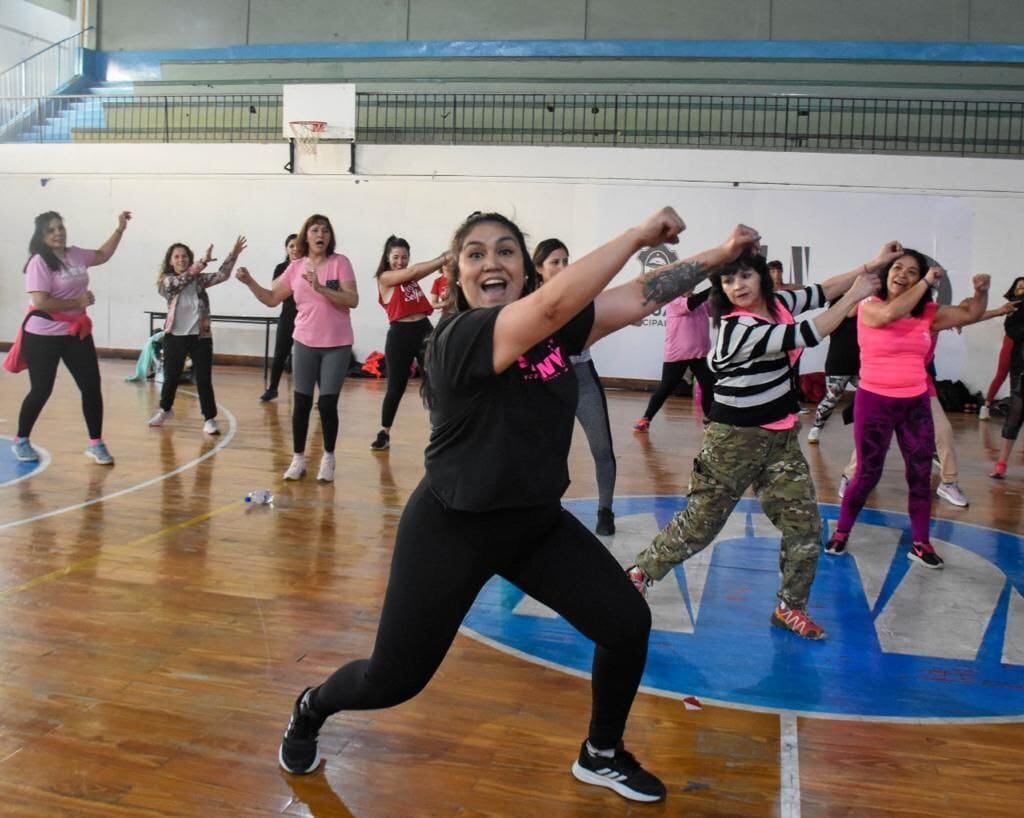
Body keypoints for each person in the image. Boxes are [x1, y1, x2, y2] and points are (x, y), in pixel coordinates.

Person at [276, 207, 762, 804]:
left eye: (506, 250)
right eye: (475, 254)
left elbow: (638, 295)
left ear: (526, 269)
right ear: (456, 275)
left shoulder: (556, 332)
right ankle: (312, 706)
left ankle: (601, 753)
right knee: (392, 679)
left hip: (533, 523)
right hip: (452, 526)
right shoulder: (456, 338)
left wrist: (720, 253)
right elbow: (555, 304)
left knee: (626, 624)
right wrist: (636, 233)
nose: (491, 262)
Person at [628, 243, 898, 640]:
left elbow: (822, 289)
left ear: (761, 277)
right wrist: (856, 294)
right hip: (732, 441)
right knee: (699, 526)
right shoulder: (739, 328)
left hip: (780, 438)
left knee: (804, 526)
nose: (737, 285)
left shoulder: (778, 302)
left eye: (745, 276)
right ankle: (640, 571)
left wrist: (872, 264)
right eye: (728, 278)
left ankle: (790, 607)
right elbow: (808, 332)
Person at [825, 254, 989, 568]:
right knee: (866, 473)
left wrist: (980, 293)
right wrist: (928, 279)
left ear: (918, 281)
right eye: (898, 268)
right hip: (875, 402)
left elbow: (970, 313)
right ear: (887, 274)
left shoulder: (927, 312)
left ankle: (921, 542)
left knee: (920, 475)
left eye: (912, 272)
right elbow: (889, 314)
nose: (903, 274)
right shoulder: (870, 305)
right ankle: (842, 532)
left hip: (914, 404)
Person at [236, 214, 358, 482]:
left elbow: (352, 299)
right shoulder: (295, 267)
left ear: (330, 237)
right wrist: (250, 282)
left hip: (337, 344)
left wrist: (322, 288)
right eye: (315, 230)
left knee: (327, 405)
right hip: (304, 341)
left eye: (325, 230)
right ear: (306, 236)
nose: (321, 234)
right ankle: (298, 459)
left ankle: (328, 457)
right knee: (301, 403)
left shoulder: (340, 263)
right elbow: (270, 299)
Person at [11, 209, 131, 465]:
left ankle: (96, 443)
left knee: (91, 385)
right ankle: (21, 439)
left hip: (76, 331)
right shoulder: (39, 262)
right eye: (52, 230)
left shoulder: (75, 254)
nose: (58, 233)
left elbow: (102, 255)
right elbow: (41, 302)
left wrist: (120, 229)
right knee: (42, 389)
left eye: (60, 227)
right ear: (42, 236)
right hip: (43, 334)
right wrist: (78, 300)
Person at [534, 238, 618, 535]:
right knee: (548, 451)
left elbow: (610, 310)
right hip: (548, 384)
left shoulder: (582, 295)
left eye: (565, 261)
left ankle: (605, 509)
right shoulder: (529, 302)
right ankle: (545, 507)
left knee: (602, 447)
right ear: (539, 269)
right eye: (554, 262)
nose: (562, 267)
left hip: (581, 376)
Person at [148, 236, 246, 434]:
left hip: (200, 337)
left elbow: (222, 275)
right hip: (175, 336)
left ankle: (209, 418)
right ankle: (165, 410)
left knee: (203, 379)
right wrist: (201, 263)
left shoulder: (198, 280)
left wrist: (233, 254)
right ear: (170, 261)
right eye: (177, 256)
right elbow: (179, 282)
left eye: (184, 256)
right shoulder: (166, 282)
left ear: (189, 259)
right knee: (171, 377)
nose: (181, 259)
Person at [368, 236, 449, 451]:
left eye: (404, 257)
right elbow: (413, 271)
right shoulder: (385, 278)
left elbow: (414, 274)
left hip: (423, 330)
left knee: (435, 381)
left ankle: (441, 429)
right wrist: (443, 258)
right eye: (396, 257)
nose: (400, 261)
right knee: (396, 386)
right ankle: (384, 432)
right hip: (400, 334)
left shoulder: (409, 280)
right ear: (387, 258)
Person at [632, 287, 715, 431]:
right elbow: (689, 305)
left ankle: (710, 421)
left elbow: (714, 310)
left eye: (693, 283)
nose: (691, 285)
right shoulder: (674, 300)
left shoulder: (700, 301)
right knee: (666, 387)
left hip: (700, 353)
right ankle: (646, 419)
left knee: (708, 386)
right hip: (678, 354)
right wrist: (713, 287)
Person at [806, 306, 859, 444]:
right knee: (831, 398)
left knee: (871, 395)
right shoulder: (838, 308)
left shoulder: (868, 308)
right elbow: (849, 312)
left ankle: (857, 422)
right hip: (838, 363)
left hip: (862, 363)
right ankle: (817, 427)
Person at [260, 234, 301, 402]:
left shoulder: (309, 265)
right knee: (279, 354)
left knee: (308, 357)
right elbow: (275, 289)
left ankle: (317, 395)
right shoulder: (281, 267)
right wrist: (291, 268)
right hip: (288, 316)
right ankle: (273, 388)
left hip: (307, 317)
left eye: (298, 245)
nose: (295, 249)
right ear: (286, 249)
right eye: (291, 246)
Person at [979, 276, 1024, 420]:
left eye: (1023, 287)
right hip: (1011, 343)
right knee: (1001, 375)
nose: (1021, 289)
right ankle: (985, 407)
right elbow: (1009, 327)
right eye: (1019, 287)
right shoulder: (1012, 305)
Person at [990, 293, 1024, 477]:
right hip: (1021, 368)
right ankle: (1001, 463)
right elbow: (1011, 327)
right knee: (1015, 414)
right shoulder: (1021, 304)